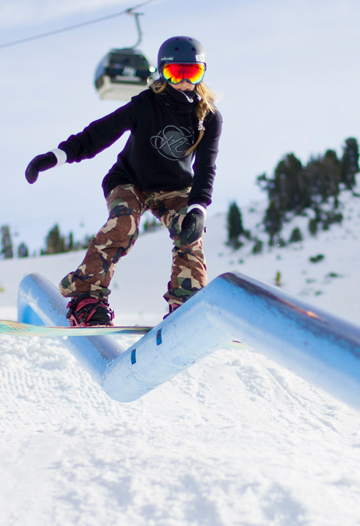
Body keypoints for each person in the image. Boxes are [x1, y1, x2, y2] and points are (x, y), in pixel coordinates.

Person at [25, 36, 222, 326]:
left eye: (191, 73)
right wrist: (56, 156)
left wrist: (198, 209)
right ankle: (86, 298)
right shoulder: (146, 104)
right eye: (174, 73)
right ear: (162, 72)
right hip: (131, 181)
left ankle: (187, 303)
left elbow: (206, 168)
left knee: (190, 233)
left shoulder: (208, 116)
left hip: (176, 189)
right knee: (123, 224)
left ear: (202, 73)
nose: (182, 81)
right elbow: (99, 134)